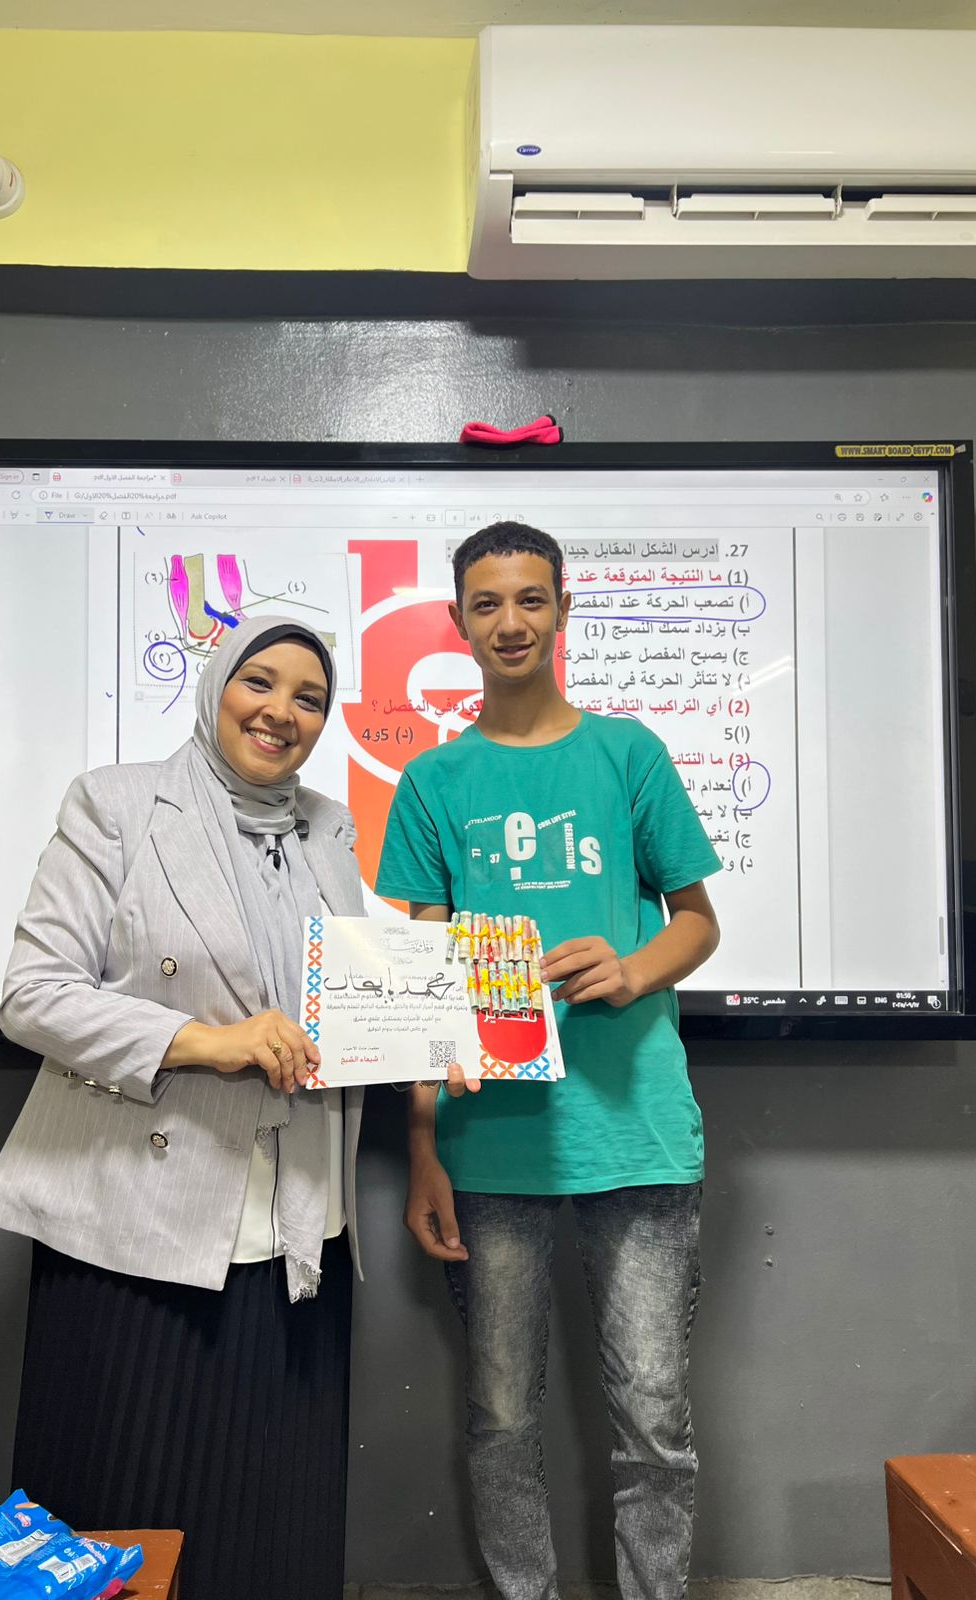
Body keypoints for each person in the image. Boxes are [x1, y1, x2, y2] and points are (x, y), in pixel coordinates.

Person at [0, 616, 363, 1600]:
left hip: (300, 1228)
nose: (282, 711)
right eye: (260, 683)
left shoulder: (329, 827)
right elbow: (33, 995)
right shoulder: (116, 804)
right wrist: (204, 1041)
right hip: (138, 1229)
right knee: (121, 1517)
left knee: (275, 1523)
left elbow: (345, 997)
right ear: (216, 686)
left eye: (309, 697)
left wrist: (433, 1036)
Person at [375, 523, 722, 1600]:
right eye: (488, 603)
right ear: (460, 621)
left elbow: (698, 924)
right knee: (502, 1418)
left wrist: (631, 968)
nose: (511, 621)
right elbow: (418, 977)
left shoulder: (630, 753)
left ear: (564, 611)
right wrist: (424, 1141)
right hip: (493, 1146)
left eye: (532, 599)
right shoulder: (433, 783)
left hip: (637, 1129)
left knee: (655, 1417)